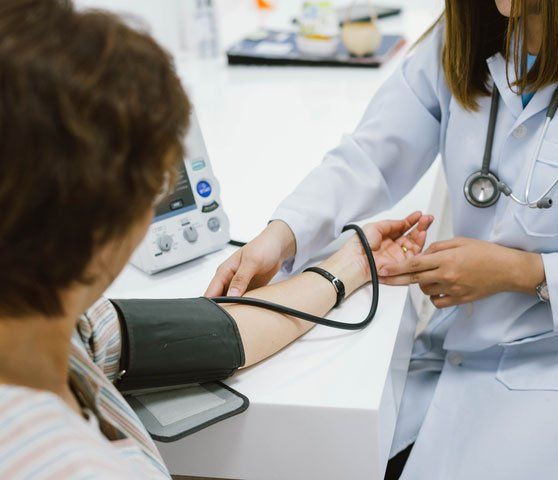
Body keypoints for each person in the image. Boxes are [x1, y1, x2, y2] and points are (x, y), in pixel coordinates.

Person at [0, 1, 434, 478]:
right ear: (105, 228)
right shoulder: (72, 465)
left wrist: (351, 264)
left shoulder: (63, 328)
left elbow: (225, 332)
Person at [208, 0, 558, 478]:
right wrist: (283, 234)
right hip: (452, 353)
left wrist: (525, 273)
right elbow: (371, 155)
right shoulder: (464, 35)